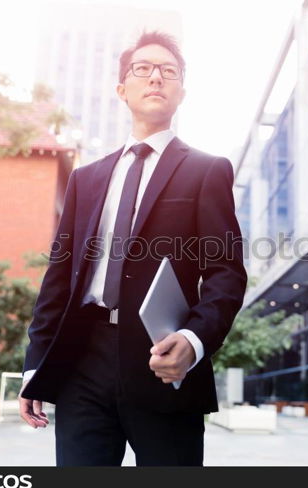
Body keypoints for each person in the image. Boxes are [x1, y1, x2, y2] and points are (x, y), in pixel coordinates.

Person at [18, 30, 247, 466]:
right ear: (123, 90)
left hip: (163, 362)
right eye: (143, 69)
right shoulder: (86, 179)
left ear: (182, 91)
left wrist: (194, 341)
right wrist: (35, 365)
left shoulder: (207, 171)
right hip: (81, 362)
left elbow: (226, 273)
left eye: (168, 71)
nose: (156, 78)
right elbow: (59, 278)